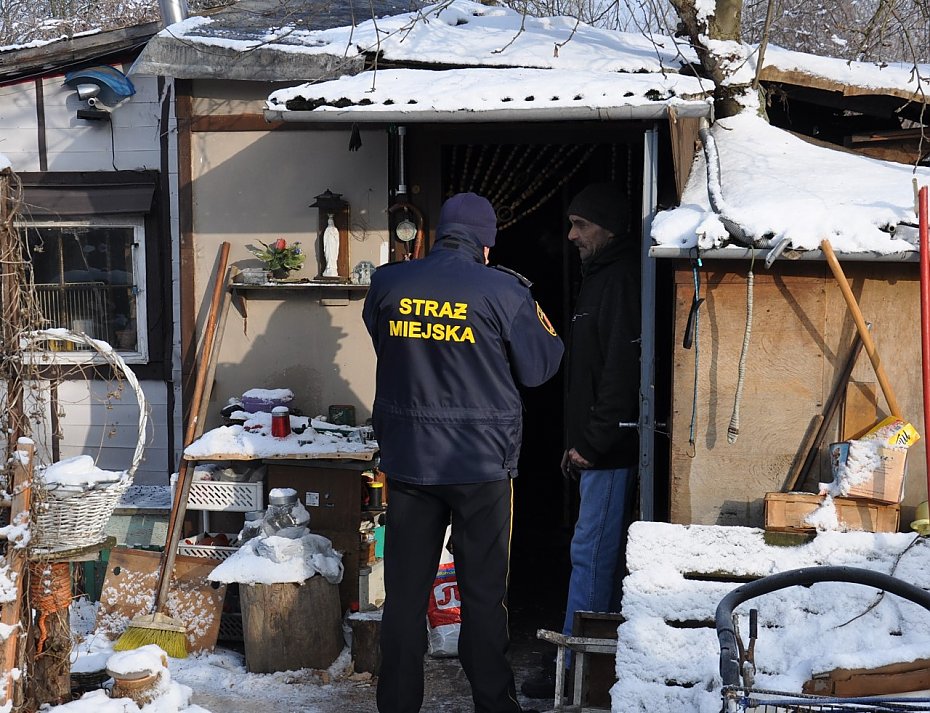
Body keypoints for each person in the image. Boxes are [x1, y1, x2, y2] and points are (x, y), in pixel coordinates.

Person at [363, 191, 564, 713]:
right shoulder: (505, 291)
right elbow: (541, 368)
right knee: (481, 597)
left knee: (404, 600)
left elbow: (384, 340)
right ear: (487, 245)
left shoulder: (389, 282)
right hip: (481, 467)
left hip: (410, 464)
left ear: (436, 235)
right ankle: (494, 706)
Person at [520, 182, 641, 700]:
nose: (571, 235)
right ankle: (583, 665)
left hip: (609, 453)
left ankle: (577, 672)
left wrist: (593, 441)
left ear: (608, 228)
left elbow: (622, 369)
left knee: (591, 555)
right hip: (595, 450)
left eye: (581, 225)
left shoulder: (621, 282)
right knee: (593, 553)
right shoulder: (599, 278)